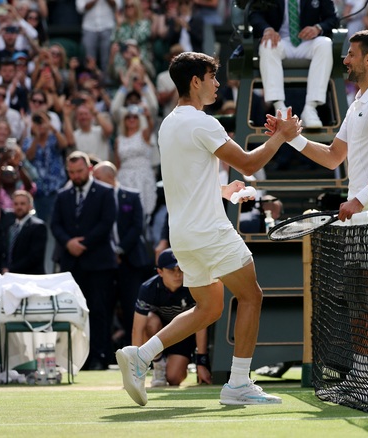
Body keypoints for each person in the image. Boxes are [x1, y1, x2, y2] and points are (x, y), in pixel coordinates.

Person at [115, 51, 301, 407]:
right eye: (212, 77)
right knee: (252, 296)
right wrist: (283, 136)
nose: (217, 83)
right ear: (195, 81)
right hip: (209, 231)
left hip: (184, 236)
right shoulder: (203, 123)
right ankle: (237, 384)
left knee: (209, 308)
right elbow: (248, 163)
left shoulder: (168, 124)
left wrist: (221, 191)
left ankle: (141, 355)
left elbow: (185, 180)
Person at [269, 30, 368, 403]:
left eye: (351, 54)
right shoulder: (359, 101)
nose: (345, 60)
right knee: (360, 299)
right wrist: (290, 138)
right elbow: (332, 156)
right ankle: (361, 377)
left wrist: (360, 200)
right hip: (361, 219)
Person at [51, 151, 118, 370]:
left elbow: (107, 222)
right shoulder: (63, 195)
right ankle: (78, 358)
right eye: (71, 172)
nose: (75, 176)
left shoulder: (106, 192)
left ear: (89, 168)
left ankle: (100, 355)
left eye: (79, 171)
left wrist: (84, 243)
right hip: (72, 263)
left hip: (98, 262)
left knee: (99, 310)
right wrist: (68, 242)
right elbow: (56, 225)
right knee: (74, 311)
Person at [249, 0, 340, 128]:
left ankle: (311, 108)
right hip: (280, 41)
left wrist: (318, 28)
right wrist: (267, 29)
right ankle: (280, 108)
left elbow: (333, 18)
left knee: (325, 44)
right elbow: (254, 14)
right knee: (267, 44)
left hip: (308, 42)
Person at [132, 249, 212, 387]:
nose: (177, 275)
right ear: (160, 272)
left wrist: (201, 363)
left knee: (174, 379)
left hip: (183, 335)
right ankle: (158, 365)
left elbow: (201, 324)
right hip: (157, 333)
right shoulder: (148, 288)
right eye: (171, 270)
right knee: (150, 320)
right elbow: (137, 328)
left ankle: (175, 365)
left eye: (180, 269)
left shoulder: (193, 287)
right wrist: (134, 369)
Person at [93, 161, 151, 348]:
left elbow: (137, 227)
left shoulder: (131, 196)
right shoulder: (95, 199)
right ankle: (105, 353)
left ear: (110, 177)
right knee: (104, 308)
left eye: (98, 178)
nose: (94, 182)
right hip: (104, 262)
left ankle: (134, 350)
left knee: (131, 308)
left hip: (130, 261)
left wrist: (120, 250)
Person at [3, 189, 46, 274]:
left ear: (30, 206)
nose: (19, 207)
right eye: (16, 204)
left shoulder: (38, 226)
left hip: (30, 277)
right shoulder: (10, 226)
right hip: (11, 276)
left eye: (22, 204)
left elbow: (34, 257)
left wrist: (11, 269)